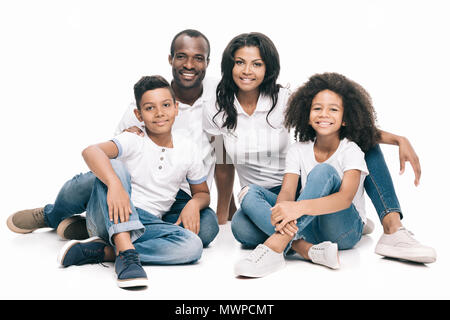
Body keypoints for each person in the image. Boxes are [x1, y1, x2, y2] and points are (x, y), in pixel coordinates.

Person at [203, 32, 435, 265]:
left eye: (257, 64)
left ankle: (393, 228)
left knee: (366, 144)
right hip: (265, 199)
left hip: (304, 186)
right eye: (239, 62)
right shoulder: (216, 106)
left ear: (268, 68)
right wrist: (223, 212)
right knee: (242, 229)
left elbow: (334, 124)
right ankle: (305, 247)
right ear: (229, 65)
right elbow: (222, 160)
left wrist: (398, 139)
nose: (247, 71)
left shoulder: (282, 100)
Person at [6, 29, 220, 248]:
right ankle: (54, 215)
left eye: (198, 58)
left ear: (208, 62)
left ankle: (101, 231)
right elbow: (112, 157)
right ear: (170, 59)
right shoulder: (146, 101)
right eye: (181, 56)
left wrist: (218, 204)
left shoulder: (217, 98)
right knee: (96, 177)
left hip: (180, 195)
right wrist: (117, 182)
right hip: (135, 190)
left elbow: (224, 149)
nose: (189, 65)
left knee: (207, 229)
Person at [235, 72, 436, 277]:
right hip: (310, 225)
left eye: (333, 110)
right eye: (317, 108)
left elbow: (344, 198)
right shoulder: (298, 150)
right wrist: (284, 210)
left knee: (324, 172)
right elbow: (286, 192)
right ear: (307, 114)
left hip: (343, 229)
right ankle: (307, 249)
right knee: (241, 221)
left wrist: (296, 208)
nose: (324, 114)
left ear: (345, 119)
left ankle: (276, 247)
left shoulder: (351, 150)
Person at [14, 76, 208, 288]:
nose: (160, 113)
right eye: (150, 108)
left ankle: (102, 250)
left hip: (146, 223)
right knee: (112, 167)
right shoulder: (134, 139)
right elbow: (91, 151)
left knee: (192, 246)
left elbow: (202, 192)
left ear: (176, 108)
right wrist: (115, 185)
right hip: (112, 211)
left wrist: (194, 203)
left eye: (166, 105)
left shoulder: (188, 148)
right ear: (138, 114)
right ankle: (124, 253)